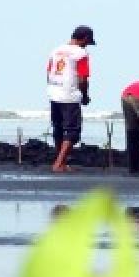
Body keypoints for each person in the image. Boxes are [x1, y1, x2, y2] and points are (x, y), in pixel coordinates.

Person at [45, 25, 95, 173]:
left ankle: (62, 162)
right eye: (88, 41)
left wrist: (52, 88)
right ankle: (58, 163)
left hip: (54, 92)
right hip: (70, 95)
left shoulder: (56, 50)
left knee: (58, 128)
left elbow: (48, 73)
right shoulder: (80, 53)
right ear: (85, 38)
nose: (87, 45)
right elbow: (82, 78)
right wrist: (85, 95)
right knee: (72, 131)